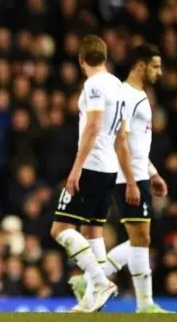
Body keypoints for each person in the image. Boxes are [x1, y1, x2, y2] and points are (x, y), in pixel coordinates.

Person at [69, 44, 173, 313]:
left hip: (138, 174)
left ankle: (92, 280)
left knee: (143, 239)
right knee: (141, 239)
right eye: (155, 66)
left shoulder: (138, 95)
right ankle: (144, 304)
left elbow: (137, 145)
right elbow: (120, 139)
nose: (159, 72)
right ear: (141, 65)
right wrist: (130, 179)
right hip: (129, 176)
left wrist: (153, 173)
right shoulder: (127, 96)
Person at [50, 35, 127, 312]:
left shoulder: (93, 85)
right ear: (104, 58)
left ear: (81, 60)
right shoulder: (118, 85)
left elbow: (93, 126)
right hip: (110, 168)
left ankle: (99, 281)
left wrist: (76, 168)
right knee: (93, 230)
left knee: (59, 228)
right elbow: (122, 132)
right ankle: (93, 298)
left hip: (92, 166)